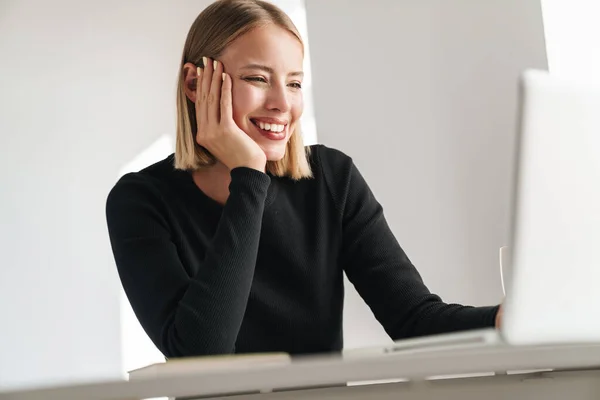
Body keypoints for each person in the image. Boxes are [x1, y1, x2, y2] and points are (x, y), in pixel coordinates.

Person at [105, 0, 501, 359]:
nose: (282, 103)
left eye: (293, 83)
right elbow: (201, 352)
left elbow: (414, 320)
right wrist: (249, 175)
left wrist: (509, 318)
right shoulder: (140, 201)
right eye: (258, 79)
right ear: (196, 85)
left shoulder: (331, 178)